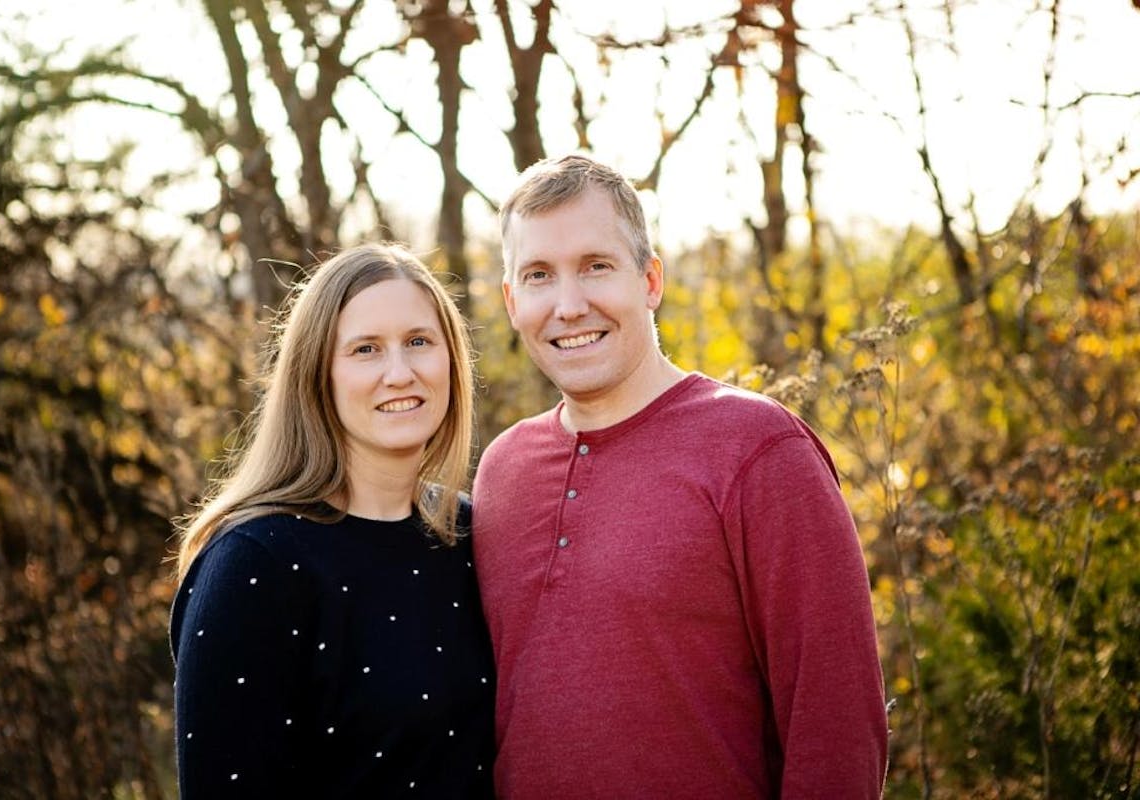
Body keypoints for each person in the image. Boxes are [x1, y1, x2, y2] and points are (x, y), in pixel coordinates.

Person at [473, 155, 888, 798]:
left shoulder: (757, 450)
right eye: (538, 276)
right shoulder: (502, 471)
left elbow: (835, 723)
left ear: (650, 279)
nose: (569, 304)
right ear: (510, 300)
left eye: (596, 267)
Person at [170, 243, 495, 798]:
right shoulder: (255, 565)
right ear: (318, 374)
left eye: (419, 342)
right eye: (366, 349)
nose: (400, 372)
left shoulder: (472, 535)